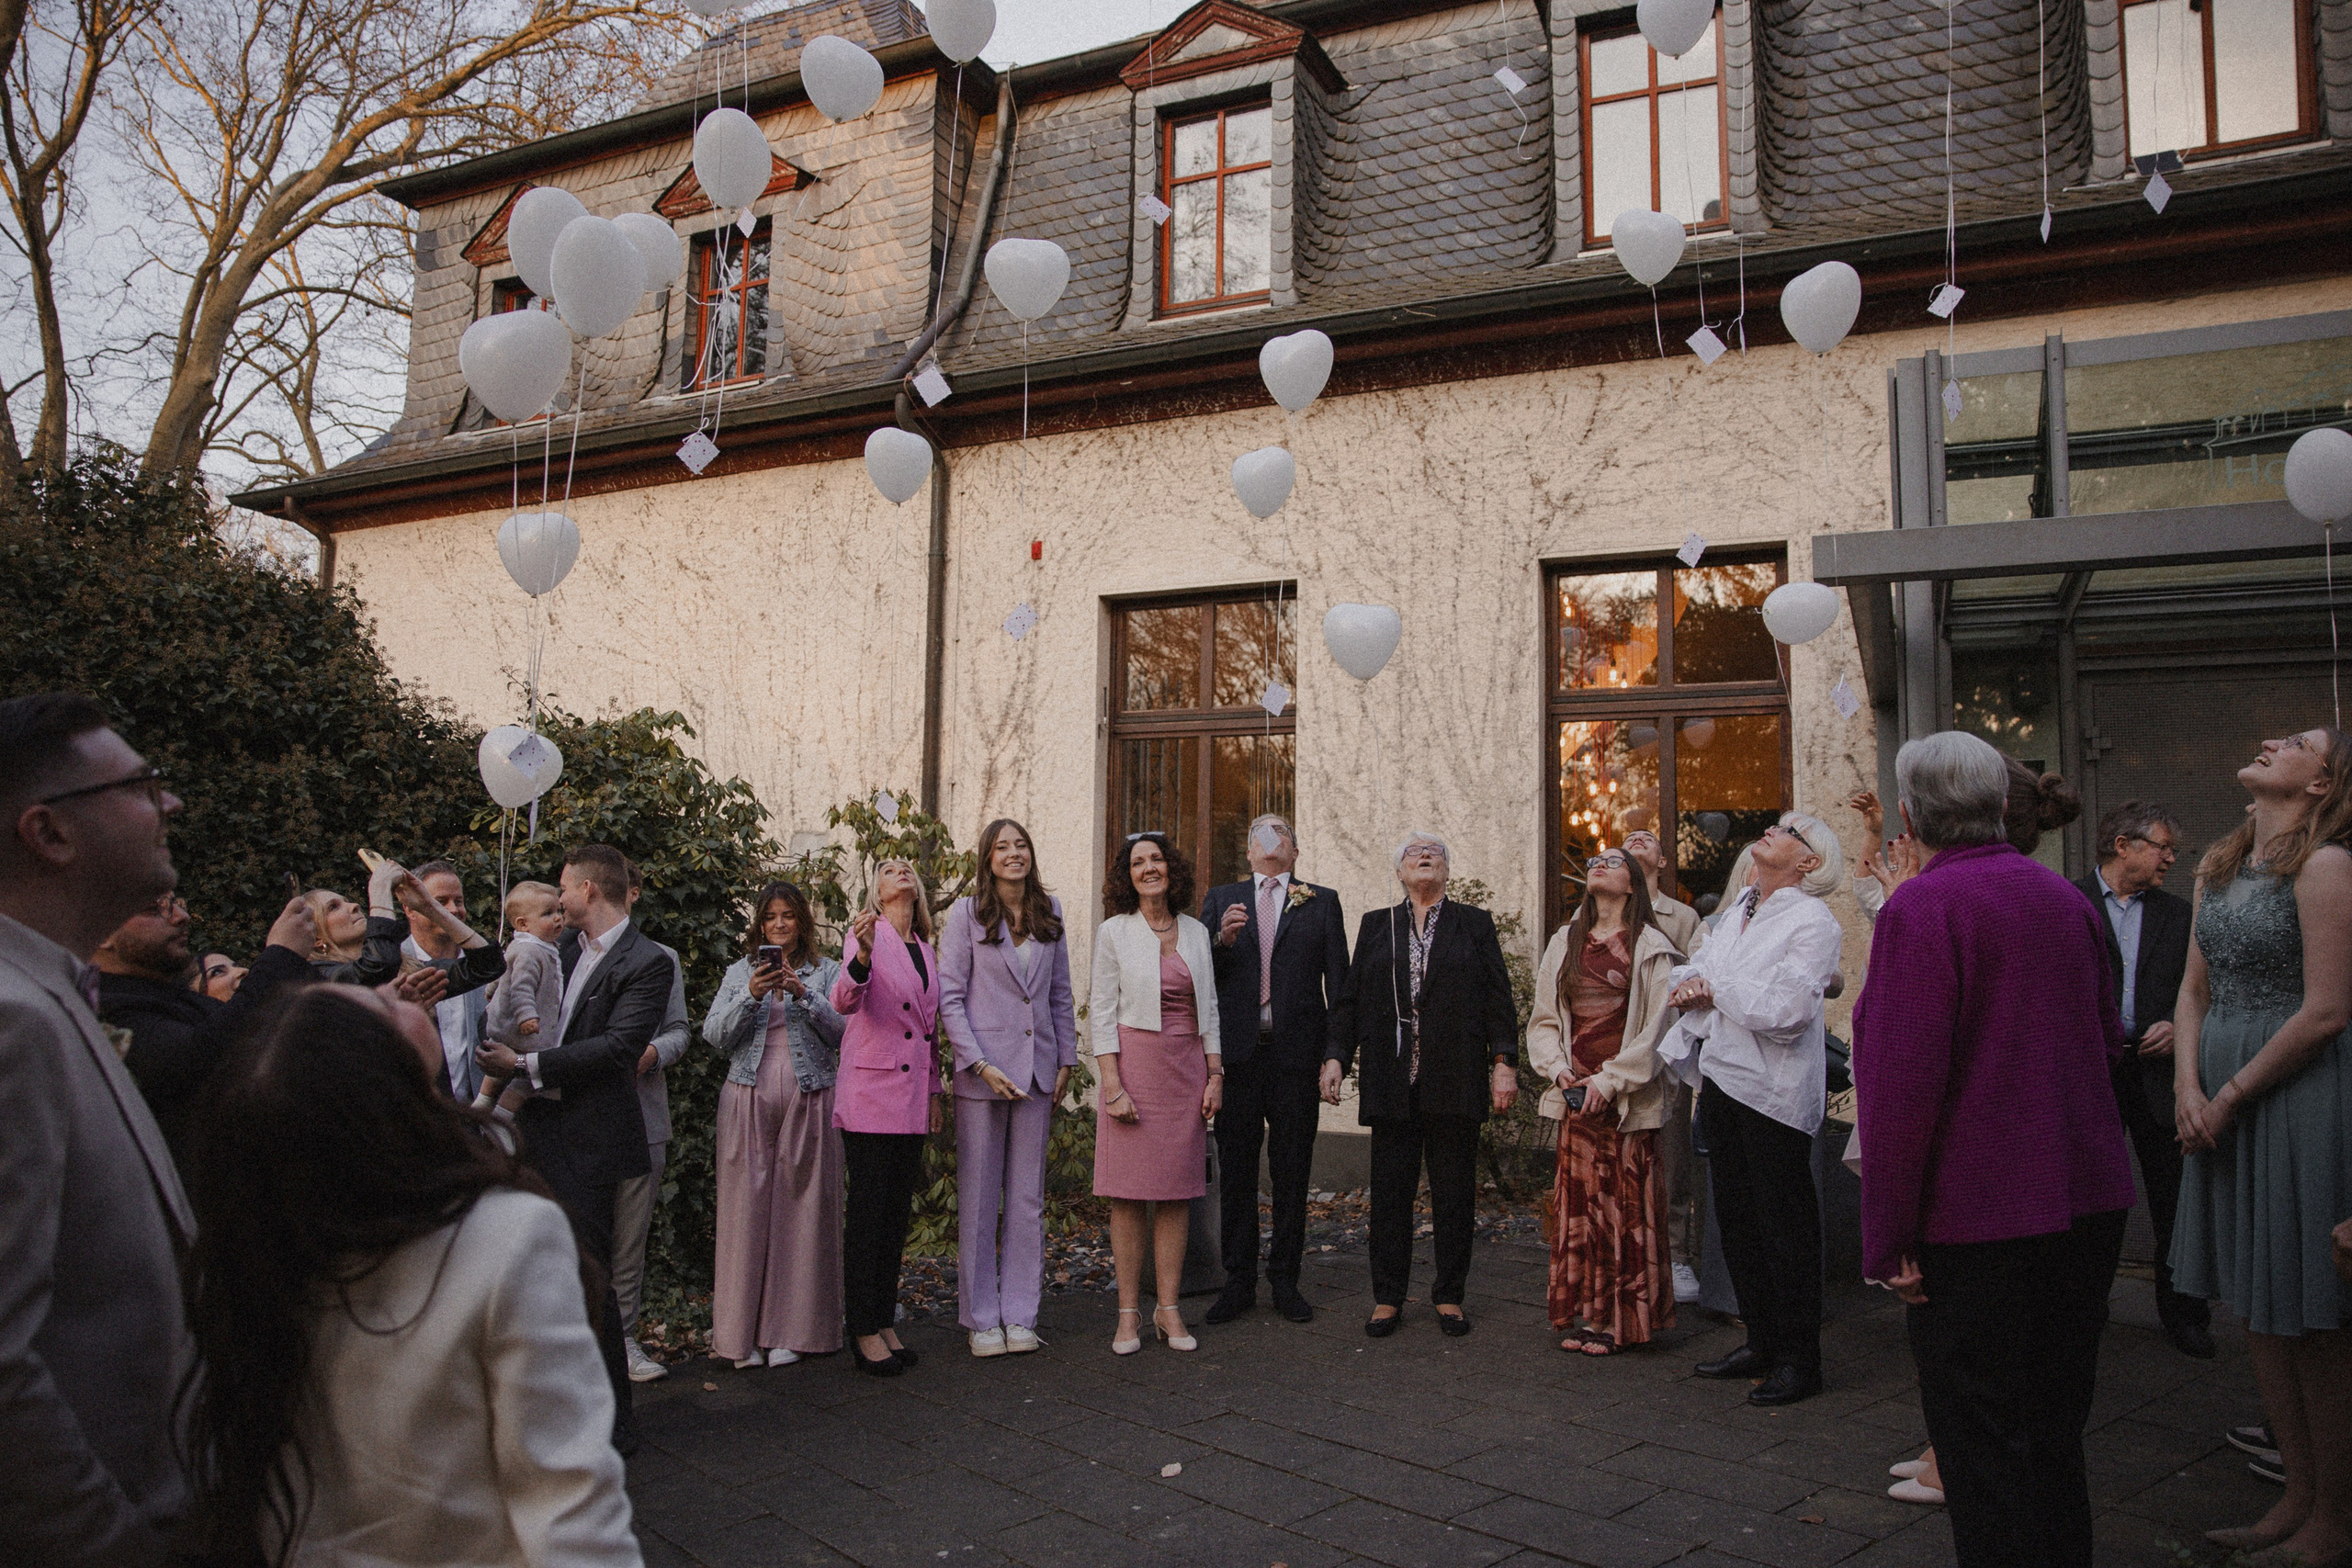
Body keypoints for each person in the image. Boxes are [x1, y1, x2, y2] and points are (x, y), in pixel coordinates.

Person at [179, 984, 641, 1566]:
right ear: (380, 1081)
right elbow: (570, 1502)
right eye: (380, 1008)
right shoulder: (507, 1237)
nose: (394, 991)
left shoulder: (248, 1252)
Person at [1850, 730, 2138, 1564]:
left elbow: (1902, 1087)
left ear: (1909, 814)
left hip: (1977, 1219)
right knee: (2054, 1436)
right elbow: (2105, 1039)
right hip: (2084, 1201)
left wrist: (1889, 1238)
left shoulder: (1924, 906)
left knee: (1983, 1451)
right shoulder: (2064, 898)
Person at [0, 693, 197, 1566]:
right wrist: (113, 1545)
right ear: (50, 833)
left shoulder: (53, 994)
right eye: (142, 784)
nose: (171, 803)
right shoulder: (13, 1021)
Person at [2169, 728, 2352, 1562]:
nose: (2274, 740)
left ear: (2323, 784)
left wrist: (2232, 1096)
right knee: (2260, 1310)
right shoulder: (2218, 868)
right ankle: (2297, 1497)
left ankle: (2334, 1520)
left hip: (2297, 1097)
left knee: (2313, 1315)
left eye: (2301, 741)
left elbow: (2326, 1010)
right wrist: (2187, 1089)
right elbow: (2192, 991)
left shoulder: (2326, 868)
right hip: (2219, 1104)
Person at [474, 841, 671, 1454]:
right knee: (535, 1271)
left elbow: (617, 1050)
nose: (556, 899)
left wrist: (525, 1064)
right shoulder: (552, 947)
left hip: (590, 1138)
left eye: (563, 886)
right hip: (535, 1131)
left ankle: (614, 1421)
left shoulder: (647, 961)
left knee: (590, 1276)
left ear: (589, 889)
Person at [1665, 810, 1843, 1404]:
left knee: (1784, 1226)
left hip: (1773, 1094)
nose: (1776, 829)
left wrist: (1716, 990)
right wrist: (1690, 984)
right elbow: (1706, 968)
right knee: (1738, 1221)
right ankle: (1761, 1341)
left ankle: (1800, 1358)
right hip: (1721, 1079)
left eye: (1793, 831)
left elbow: (1789, 1010)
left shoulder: (1813, 921)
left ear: (1808, 862)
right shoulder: (1742, 906)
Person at [1323, 832, 1519, 1338]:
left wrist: (1505, 1062)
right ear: (1399, 873)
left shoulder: (1472, 924)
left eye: (1434, 852)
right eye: (1413, 853)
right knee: (1390, 1195)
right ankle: (1388, 1297)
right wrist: (1336, 1057)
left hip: (1454, 1078)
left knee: (1454, 1194)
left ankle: (1449, 1295)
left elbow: (1498, 995)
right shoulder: (1377, 925)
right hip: (1393, 1080)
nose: (1424, 855)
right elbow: (1350, 1001)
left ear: (1447, 871)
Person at [1199, 813, 1349, 1326]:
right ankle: (1237, 1280)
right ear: (1247, 852)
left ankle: (1285, 1279)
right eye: (1259, 833)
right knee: (1236, 1174)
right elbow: (1200, 980)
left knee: (1292, 1170)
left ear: (1295, 850)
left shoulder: (1320, 900)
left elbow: (1341, 988)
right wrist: (1221, 942)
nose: (1269, 838)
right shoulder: (1222, 900)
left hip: (1295, 1058)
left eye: (1280, 831)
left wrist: (1335, 1055)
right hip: (1237, 1059)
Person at [1527, 846, 1679, 1354]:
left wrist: (1607, 1083)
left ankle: (1622, 1324)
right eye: (1594, 860)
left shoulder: (1652, 946)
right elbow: (1544, 1019)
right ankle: (1590, 1319)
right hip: (1576, 1098)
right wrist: (1561, 1071)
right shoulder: (1564, 942)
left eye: (1613, 861)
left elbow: (1657, 1032)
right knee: (1582, 1211)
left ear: (1634, 884)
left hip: (1625, 1102)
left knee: (1624, 1210)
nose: (1599, 864)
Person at [2075, 800, 2209, 1360]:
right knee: (2091, 1198)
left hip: (2159, 1073)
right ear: (2123, 845)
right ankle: (2084, 1310)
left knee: (2174, 1198)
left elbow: (2206, 989)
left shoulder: (2182, 915)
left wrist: (2178, 1030)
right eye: (2163, 847)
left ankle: (2184, 1316)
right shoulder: (2068, 901)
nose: (2172, 859)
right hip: (2094, 1072)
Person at [941, 819, 1079, 1358]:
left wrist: (1067, 1056)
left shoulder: (1052, 912)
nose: (1013, 854)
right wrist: (976, 1063)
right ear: (988, 858)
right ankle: (981, 1318)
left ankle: (1020, 1314)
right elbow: (950, 998)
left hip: (1039, 1072)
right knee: (978, 1200)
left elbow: (1060, 993)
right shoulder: (964, 916)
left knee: (1026, 1199)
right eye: (1002, 847)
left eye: (1021, 845)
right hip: (983, 1077)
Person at [707, 881, 846, 1370]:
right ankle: (739, 1335)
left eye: (788, 916)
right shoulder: (740, 972)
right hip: (747, 1093)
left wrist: (803, 993)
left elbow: (844, 1033)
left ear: (802, 921)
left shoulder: (827, 971)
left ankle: (794, 1332)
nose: (779, 925)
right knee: (744, 1213)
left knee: (803, 1214)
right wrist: (751, 994)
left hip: (812, 1096)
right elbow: (714, 1034)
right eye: (770, 917)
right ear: (759, 925)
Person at [1091, 832, 1223, 1354]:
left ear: (1172, 869)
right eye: (1139, 862)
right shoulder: (1113, 932)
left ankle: (1168, 1309)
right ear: (1128, 875)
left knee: (1177, 1193)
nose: (1150, 869)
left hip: (1185, 1070)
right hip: (1134, 1068)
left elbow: (1207, 1008)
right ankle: (1128, 1315)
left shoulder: (1194, 931)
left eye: (1158, 859)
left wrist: (1215, 1075)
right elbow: (1101, 1010)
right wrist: (1112, 1085)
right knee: (1127, 1193)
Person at [96, 888, 313, 1171]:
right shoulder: (105, 1011)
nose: (181, 917)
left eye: (176, 903)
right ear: (100, 932)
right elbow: (203, 1059)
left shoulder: (164, 993)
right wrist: (281, 957)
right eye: (154, 908)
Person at [831, 858, 946, 1376]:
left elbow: (930, 1031)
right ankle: (861, 1328)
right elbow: (842, 1000)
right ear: (877, 892)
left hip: (911, 1099)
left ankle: (883, 1319)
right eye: (888, 868)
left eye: (906, 867)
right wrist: (861, 955)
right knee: (868, 1218)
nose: (900, 870)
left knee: (895, 1217)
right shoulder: (867, 936)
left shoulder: (925, 948)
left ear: (915, 889)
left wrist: (934, 1092)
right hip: (871, 1093)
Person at [614, 859, 692, 1385]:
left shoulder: (662, 958)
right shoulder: (560, 952)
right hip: (577, 1121)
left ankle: (622, 1339)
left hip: (642, 1116)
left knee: (629, 1242)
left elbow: (681, 1031)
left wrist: (651, 1054)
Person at [1621, 828, 1705, 1305]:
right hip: (1612, 1052)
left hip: (1666, 1054)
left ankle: (1674, 1255)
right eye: (1628, 836)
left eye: (1648, 838)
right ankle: (1623, 1256)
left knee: (1671, 1160)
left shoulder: (1684, 916)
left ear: (1663, 861)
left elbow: (1695, 980)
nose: (1637, 839)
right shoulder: (1593, 908)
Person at [400, 859, 507, 1103]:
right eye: (439, 902)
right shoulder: (394, 966)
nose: (453, 910)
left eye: (458, 901)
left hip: (479, 1115)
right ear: (410, 909)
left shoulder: (484, 968)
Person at [478, 880, 566, 1111]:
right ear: (523, 923)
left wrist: (491, 990)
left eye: (559, 911)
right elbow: (521, 987)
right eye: (548, 913)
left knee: (500, 1072)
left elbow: (504, 969)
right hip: (522, 1028)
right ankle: (501, 1117)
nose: (558, 918)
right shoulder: (531, 951)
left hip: (508, 1026)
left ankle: (482, 1104)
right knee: (527, 1078)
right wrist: (527, 1016)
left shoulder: (529, 945)